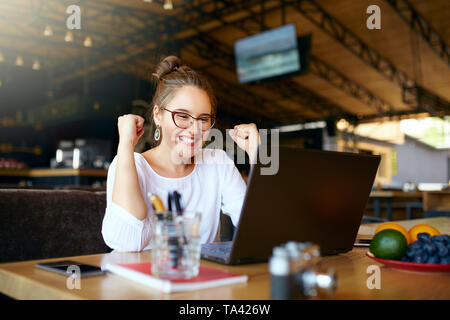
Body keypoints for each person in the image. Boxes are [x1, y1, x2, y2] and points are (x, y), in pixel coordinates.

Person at [102, 56, 260, 252]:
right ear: (158, 115)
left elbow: (259, 229)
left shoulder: (217, 162)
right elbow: (128, 243)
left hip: (204, 280)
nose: (195, 130)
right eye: (183, 116)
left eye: (203, 119)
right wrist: (125, 144)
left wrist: (256, 156)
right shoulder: (130, 164)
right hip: (140, 280)